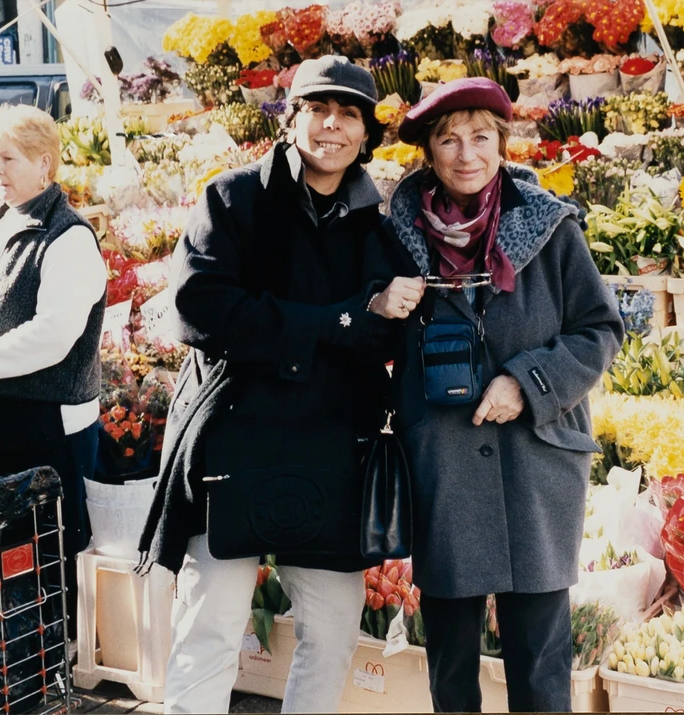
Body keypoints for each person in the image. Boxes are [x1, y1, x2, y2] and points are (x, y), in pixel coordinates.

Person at [136, 56, 424, 714]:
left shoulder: (374, 223)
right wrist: (343, 318)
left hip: (328, 448)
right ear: (291, 119)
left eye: (348, 114)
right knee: (210, 627)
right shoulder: (233, 197)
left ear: (365, 133)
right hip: (234, 441)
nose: (332, 125)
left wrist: (380, 313)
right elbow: (199, 307)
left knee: (332, 628)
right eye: (317, 109)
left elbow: (393, 329)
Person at [384, 77, 624, 712]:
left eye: (481, 137)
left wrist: (529, 382)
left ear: (502, 143)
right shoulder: (395, 239)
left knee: (542, 663)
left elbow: (600, 328)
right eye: (449, 139)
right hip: (444, 465)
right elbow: (365, 346)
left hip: (536, 460)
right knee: (452, 663)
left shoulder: (550, 228)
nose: (467, 154)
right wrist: (376, 309)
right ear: (428, 153)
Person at [0, 103, 107, 630]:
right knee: (0, 552)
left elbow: (52, 336)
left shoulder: (68, 236)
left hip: (50, 425)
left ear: (45, 164)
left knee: (52, 548)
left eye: (8, 159)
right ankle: (16, 661)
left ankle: (61, 660)